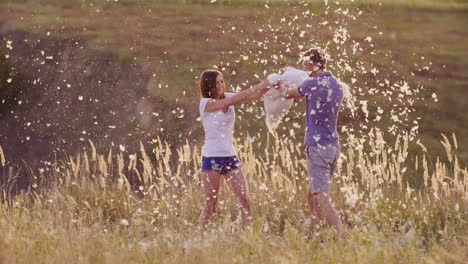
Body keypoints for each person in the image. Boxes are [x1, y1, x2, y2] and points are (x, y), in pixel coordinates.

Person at [277, 48, 347, 239]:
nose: (303, 67)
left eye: (304, 63)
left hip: (317, 146)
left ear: (311, 63)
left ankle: (342, 235)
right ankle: (313, 232)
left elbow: (286, 94)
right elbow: (309, 101)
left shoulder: (312, 83)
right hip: (333, 146)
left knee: (321, 196)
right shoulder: (336, 84)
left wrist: (278, 83)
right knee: (312, 193)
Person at [198, 69, 271, 229]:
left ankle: (248, 238)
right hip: (212, 159)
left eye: (221, 81)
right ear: (208, 85)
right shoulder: (206, 104)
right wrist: (261, 84)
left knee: (245, 200)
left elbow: (253, 96)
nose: (220, 85)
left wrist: (271, 83)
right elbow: (233, 100)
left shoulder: (228, 97)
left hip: (231, 157)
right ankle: (198, 239)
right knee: (211, 204)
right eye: (216, 82)